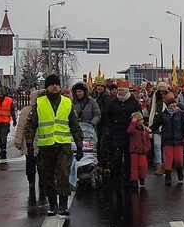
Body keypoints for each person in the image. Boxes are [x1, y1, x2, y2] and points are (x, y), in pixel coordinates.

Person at [24, 75, 83, 216]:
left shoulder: (67, 103)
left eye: (57, 84)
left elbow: (74, 125)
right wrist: (29, 143)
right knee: (46, 175)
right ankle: (52, 205)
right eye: (52, 84)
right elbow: (31, 125)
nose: (55, 87)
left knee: (63, 173)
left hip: (63, 145)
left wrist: (79, 145)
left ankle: (63, 205)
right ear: (47, 87)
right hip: (46, 146)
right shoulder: (40, 102)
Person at [105, 79, 142, 187]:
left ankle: (128, 178)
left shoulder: (134, 102)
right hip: (116, 134)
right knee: (117, 157)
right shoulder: (113, 103)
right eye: (118, 89)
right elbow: (108, 116)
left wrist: (134, 125)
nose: (119, 92)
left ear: (126, 91)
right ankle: (116, 178)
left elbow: (139, 117)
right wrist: (111, 127)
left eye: (121, 90)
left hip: (130, 135)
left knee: (128, 158)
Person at [150, 93, 184, 185]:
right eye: (172, 103)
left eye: (175, 103)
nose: (174, 105)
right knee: (168, 158)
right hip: (167, 140)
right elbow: (156, 125)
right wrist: (150, 129)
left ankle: (180, 171)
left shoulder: (180, 115)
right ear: (168, 105)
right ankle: (168, 177)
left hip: (179, 140)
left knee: (179, 159)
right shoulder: (163, 115)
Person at [14, 89, 45, 204]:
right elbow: (21, 126)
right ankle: (31, 181)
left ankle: (42, 181)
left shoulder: (45, 109)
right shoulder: (26, 111)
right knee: (30, 164)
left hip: (43, 141)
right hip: (29, 142)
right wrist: (18, 141)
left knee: (42, 164)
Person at [146, 81, 171, 176]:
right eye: (160, 91)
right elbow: (151, 109)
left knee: (165, 146)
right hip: (156, 122)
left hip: (166, 123)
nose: (162, 93)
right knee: (156, 145)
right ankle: (159, 164)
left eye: (163, 91)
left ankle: (166, 164)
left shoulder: (170, 98)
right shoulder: (154, 97)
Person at [92, 78, 113, 175]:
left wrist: (96, 114)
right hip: (98, 123)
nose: (99, 88)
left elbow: (104, 112)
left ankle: (104, 164)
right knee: (98, 143)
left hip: (104, 123)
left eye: (101, 86)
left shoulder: (106, 98)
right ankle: (100, 162)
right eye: (98, 86)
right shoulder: (95, 96)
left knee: (103, 144)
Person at [127, 111, 151, 189]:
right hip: (135, 151)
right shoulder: (133, 129)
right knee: (134, 166)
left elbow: (147, 140)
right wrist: (133, 122)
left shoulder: (144, 130)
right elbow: (129, 130)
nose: (142, 121)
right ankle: (134, 180)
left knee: (143, 165)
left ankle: (142, 178)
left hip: (143, 151)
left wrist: (147, 147)